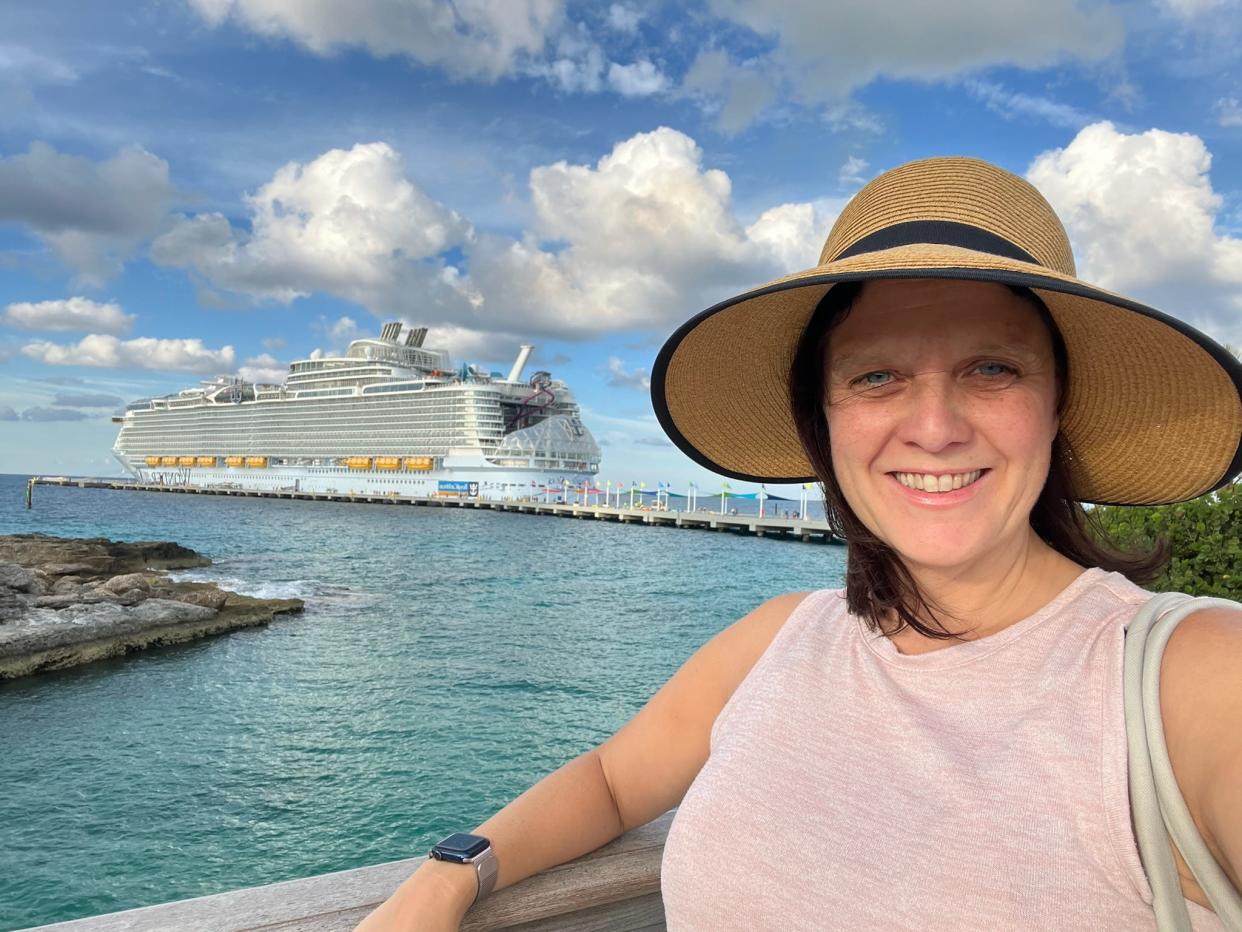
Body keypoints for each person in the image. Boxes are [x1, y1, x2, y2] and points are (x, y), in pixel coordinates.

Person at [356, 157, 1242, 931]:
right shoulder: (780, 639)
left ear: (1058, 407)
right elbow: (614, 782)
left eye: (992, 368)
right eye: (878, 376)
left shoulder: (1190, 680)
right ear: (825, 420)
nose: (933, 427)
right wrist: (451, 874)